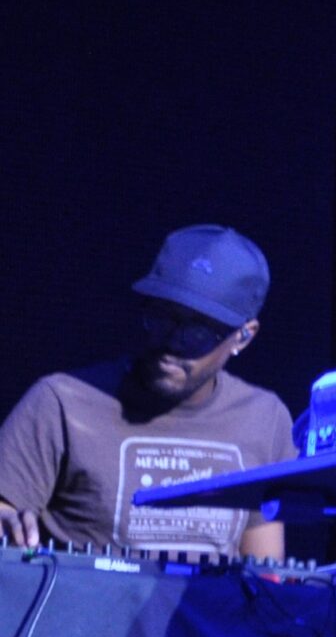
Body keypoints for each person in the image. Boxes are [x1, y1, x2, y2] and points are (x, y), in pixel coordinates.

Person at [0, 224, 295, 559]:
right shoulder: (61, 402)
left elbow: (265, 574)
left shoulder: (265, 418)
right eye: (162, 318)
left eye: (198, 331)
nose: (173, 341)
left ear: (244, 336)